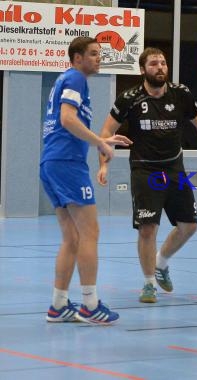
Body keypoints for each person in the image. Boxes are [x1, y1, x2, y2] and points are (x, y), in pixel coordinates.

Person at [97, 47, 197, 303]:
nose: (160, 67)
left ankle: (161, 263)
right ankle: (149, 283)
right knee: (148, 228)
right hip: (145, 169)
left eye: (163, 62)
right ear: (143, 69)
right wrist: (104, 164)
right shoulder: (129, 98)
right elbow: (106, 132)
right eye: (154, 64)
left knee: (189, 226)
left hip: (174, 167)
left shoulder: (181, 94)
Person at [41, 37, 131, 324]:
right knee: (90, 233)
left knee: (73, 237)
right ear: (77, 58)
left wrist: (102, 139)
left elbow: (67, 122)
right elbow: (68, 119)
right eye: (93, 54)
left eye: (99, 54)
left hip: (53, 162)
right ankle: (90, 305)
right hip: (67, 164)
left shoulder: (66, 80)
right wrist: (101, 144)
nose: (98, 59)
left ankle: (58, 305)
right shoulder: (76, 79)